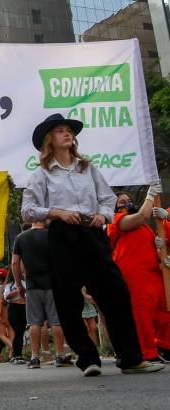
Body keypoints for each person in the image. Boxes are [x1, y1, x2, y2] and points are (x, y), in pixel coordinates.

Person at [21, 113, 164, 375]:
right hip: (62, 234)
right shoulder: (40, 174)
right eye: (60, 131)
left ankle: (131, 358)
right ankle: (87, 358)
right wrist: (57, 213)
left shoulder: (87, 167)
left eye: (69, 130)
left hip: (92, 231)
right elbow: (28, 211)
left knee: (116, 292)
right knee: (67, 297)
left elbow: (107, 198)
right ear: (49, 140)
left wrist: (104, 215)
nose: (67, 134)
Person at [108, 190, 170, 363]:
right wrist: (151, 195)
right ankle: (146, 353)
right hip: (133, 274)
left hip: (152, 274)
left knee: (163, 311)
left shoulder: (145, 227)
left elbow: (151, 249)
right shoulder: (116, 220)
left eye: (128, 200)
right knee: (141, 314)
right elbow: (143, 215)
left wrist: (160, 249)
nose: (126, 203)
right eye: (121, 201)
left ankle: (164, 346)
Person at [13, 220, 71, 368]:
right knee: (56, 321)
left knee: (34, 322)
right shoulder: (52, 236)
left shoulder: (21, 237)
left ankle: (35, 357)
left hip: (32, 285)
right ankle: (60, 355)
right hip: (53, 285)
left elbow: (15, 263)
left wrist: (19, 284)